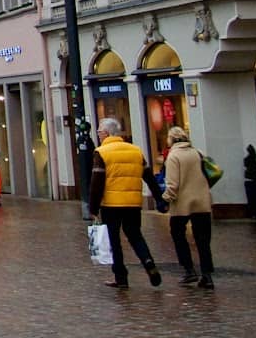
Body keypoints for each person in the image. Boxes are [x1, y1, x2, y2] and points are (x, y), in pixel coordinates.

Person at [89, 117, 162, 290]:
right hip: (133, 203)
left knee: (114, 240)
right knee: (135, 235)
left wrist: (93, 208)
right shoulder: (135, 151)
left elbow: (96, 183)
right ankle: (148, 261)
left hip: (111, 205)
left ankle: (121, 277)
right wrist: (159, 198)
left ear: (106, 133)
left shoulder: (102, 152)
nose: (98, 134)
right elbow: (149, 177)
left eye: (99, 131)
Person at [160, 126, 214, 289]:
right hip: (202, 202)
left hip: (182, 204)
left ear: (171, 139)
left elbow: (172, 184)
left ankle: (189, 269)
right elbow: (210, 172)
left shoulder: (173, 156)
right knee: (203, 240)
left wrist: (165, 200)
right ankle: (207, 274)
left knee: (178, 235)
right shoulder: (198, 153)